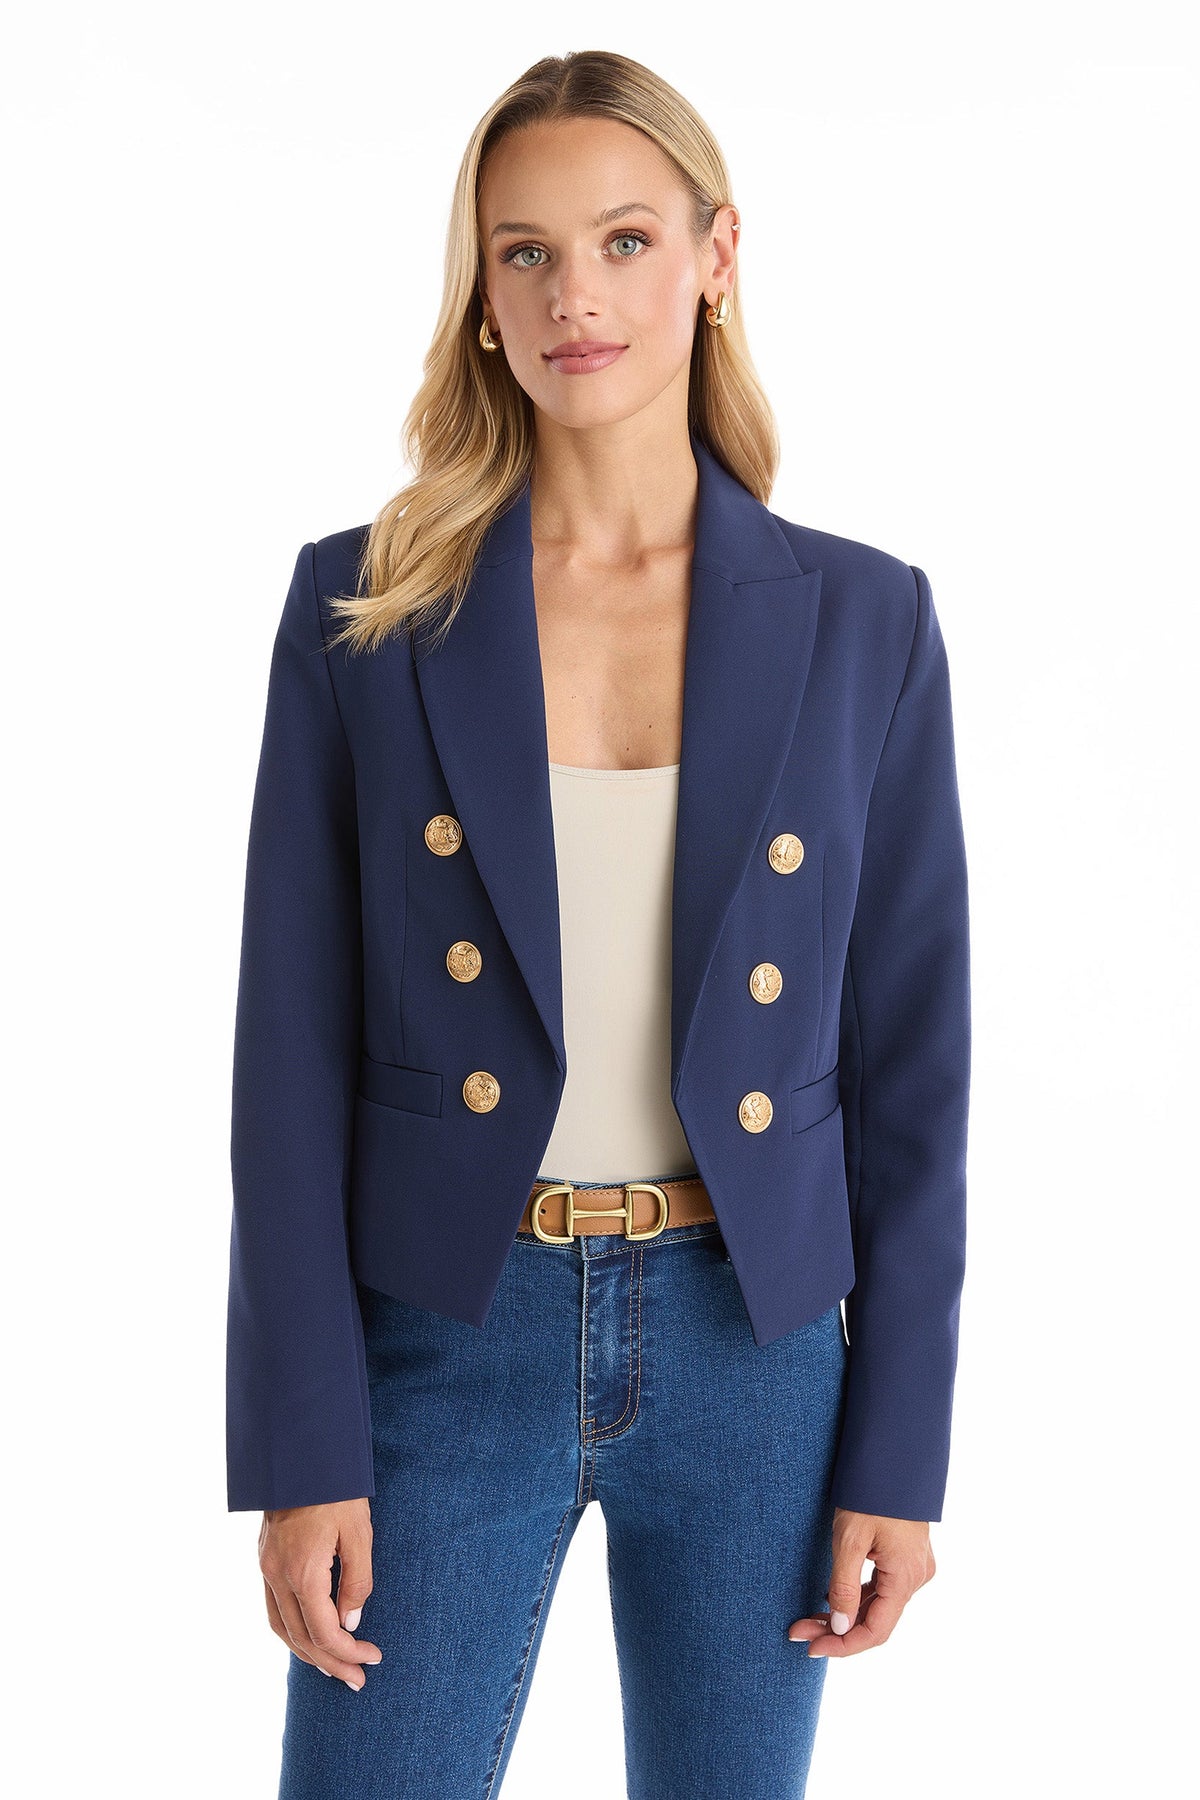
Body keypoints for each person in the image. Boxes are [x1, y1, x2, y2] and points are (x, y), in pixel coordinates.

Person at [226, 48, 971, 1800]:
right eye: (527, 253)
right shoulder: (364, 608)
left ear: (717, 256)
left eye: (626, 241)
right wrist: (301, 1440)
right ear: (481, 296)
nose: (577, 297)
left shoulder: (865, 618)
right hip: (442, 1328)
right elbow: (288, 1054)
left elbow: (916, 1070)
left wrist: (901, 1451)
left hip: (755, 1347)